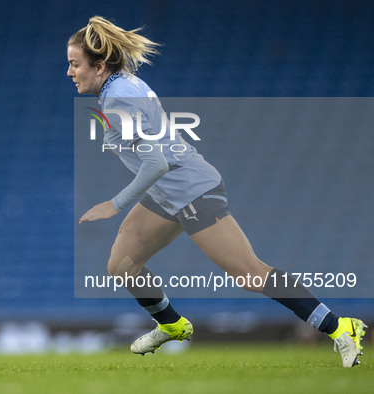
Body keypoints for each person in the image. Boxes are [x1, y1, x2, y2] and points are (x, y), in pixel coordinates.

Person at [67, 16, 366, 367]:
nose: (70, 72)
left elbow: (157, 163)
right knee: (122, 264)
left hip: (191, 190)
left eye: (75, 64)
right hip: (166, 193)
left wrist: (113, 204)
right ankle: (173, 326)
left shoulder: (118, 98)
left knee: (250, 273)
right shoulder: (120, 86)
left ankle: (340, 326)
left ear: (100, 65)